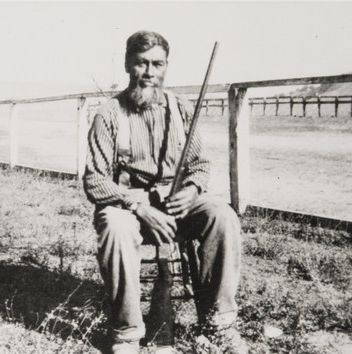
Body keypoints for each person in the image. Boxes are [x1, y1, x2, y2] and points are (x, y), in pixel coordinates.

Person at [83, 30, 244, 354]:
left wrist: (193, 188)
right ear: (129, 65)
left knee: (222, 216)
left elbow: (200, 164)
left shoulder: (181, 110)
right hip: (128, 206)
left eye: (157, 64)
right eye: (142, 63)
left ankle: (219, 324)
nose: (150, 72)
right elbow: (95, 181)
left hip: (176, 202)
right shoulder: (109, 115)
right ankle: (126, 333)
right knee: (114, 227)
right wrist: (139, 207)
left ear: (166, 66)